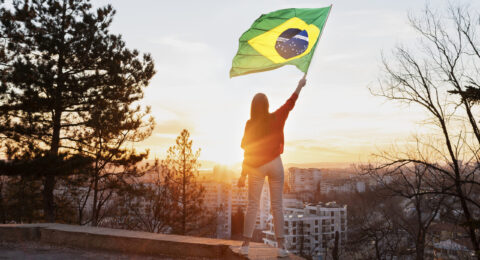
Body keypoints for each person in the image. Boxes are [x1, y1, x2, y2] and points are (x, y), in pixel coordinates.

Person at [237, 76, 307, 257]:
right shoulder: (276, 117)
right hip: (276, 164)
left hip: (256, 166)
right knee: (277, 206)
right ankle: (282, 248)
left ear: (253, 107)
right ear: (267, 105)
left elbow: (248, 152)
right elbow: (290, 103)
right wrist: (300, 85)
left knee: (252, 205)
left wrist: (243, 175)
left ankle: (245, 245)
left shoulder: (250, 124)